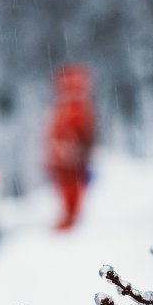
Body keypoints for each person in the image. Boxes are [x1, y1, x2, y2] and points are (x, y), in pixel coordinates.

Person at [45, 64, 94, 230]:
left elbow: (82, 132)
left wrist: (70, 147)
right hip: (64, 156)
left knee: (71, 185)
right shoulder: (67, 105)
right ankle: (69, 215)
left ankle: (70, 216)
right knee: (68, 186)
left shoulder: (73, 106)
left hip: (68, 156)